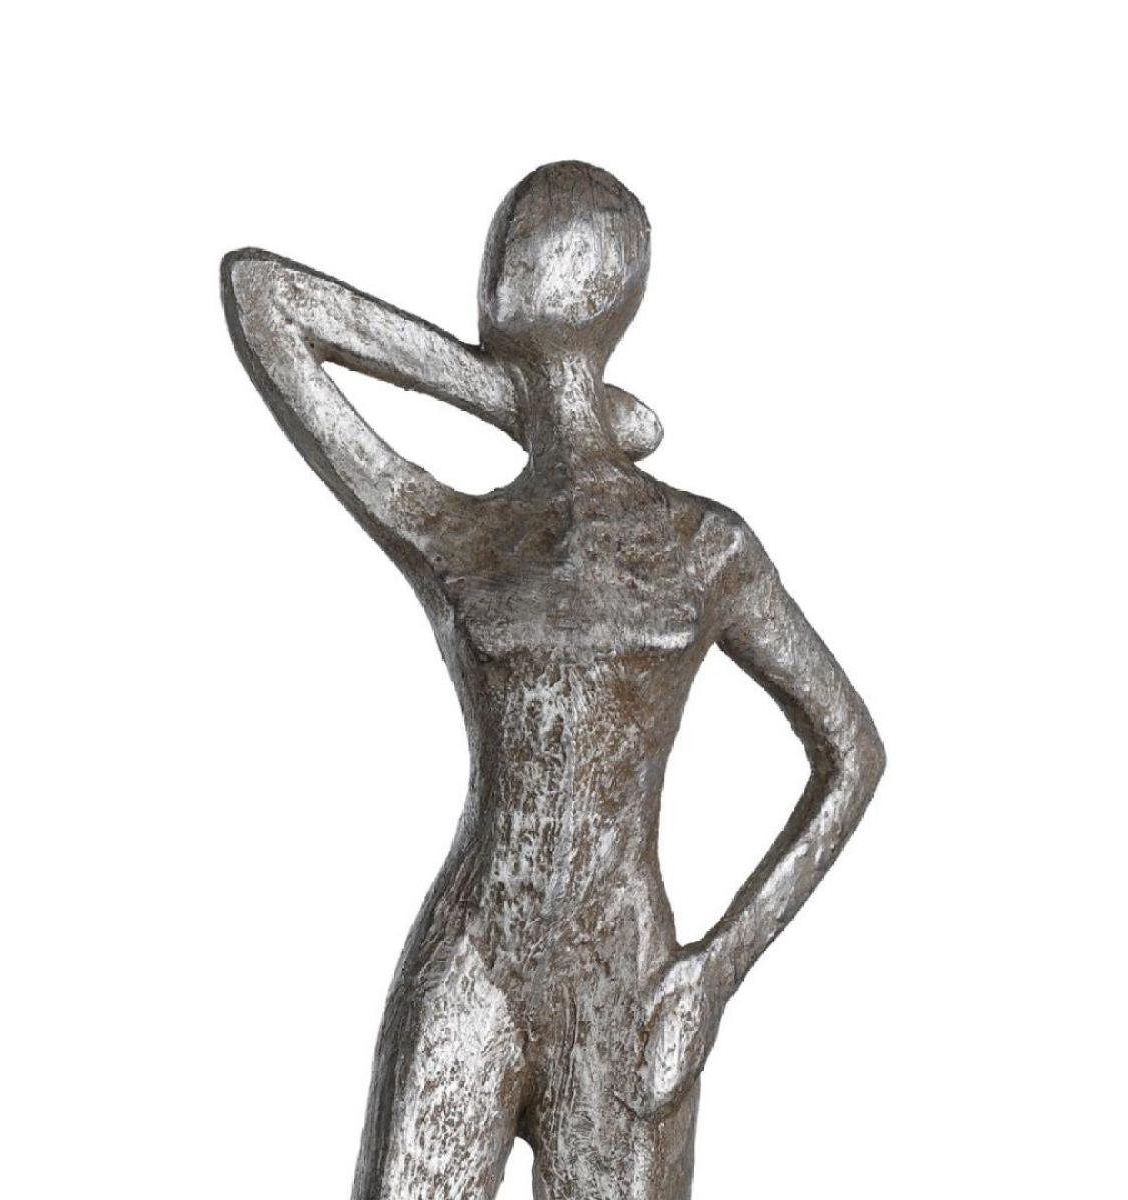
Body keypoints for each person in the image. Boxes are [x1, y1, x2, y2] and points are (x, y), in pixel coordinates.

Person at [222, 160, 885, 1200]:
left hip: (625, 979)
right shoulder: (458, 530)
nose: (514, 269)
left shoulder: (701, 546)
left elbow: (850, 752)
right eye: (512, 252)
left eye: (525, 252)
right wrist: (505, 395)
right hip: (472, 960)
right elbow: (264, 296)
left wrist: (714, 973)